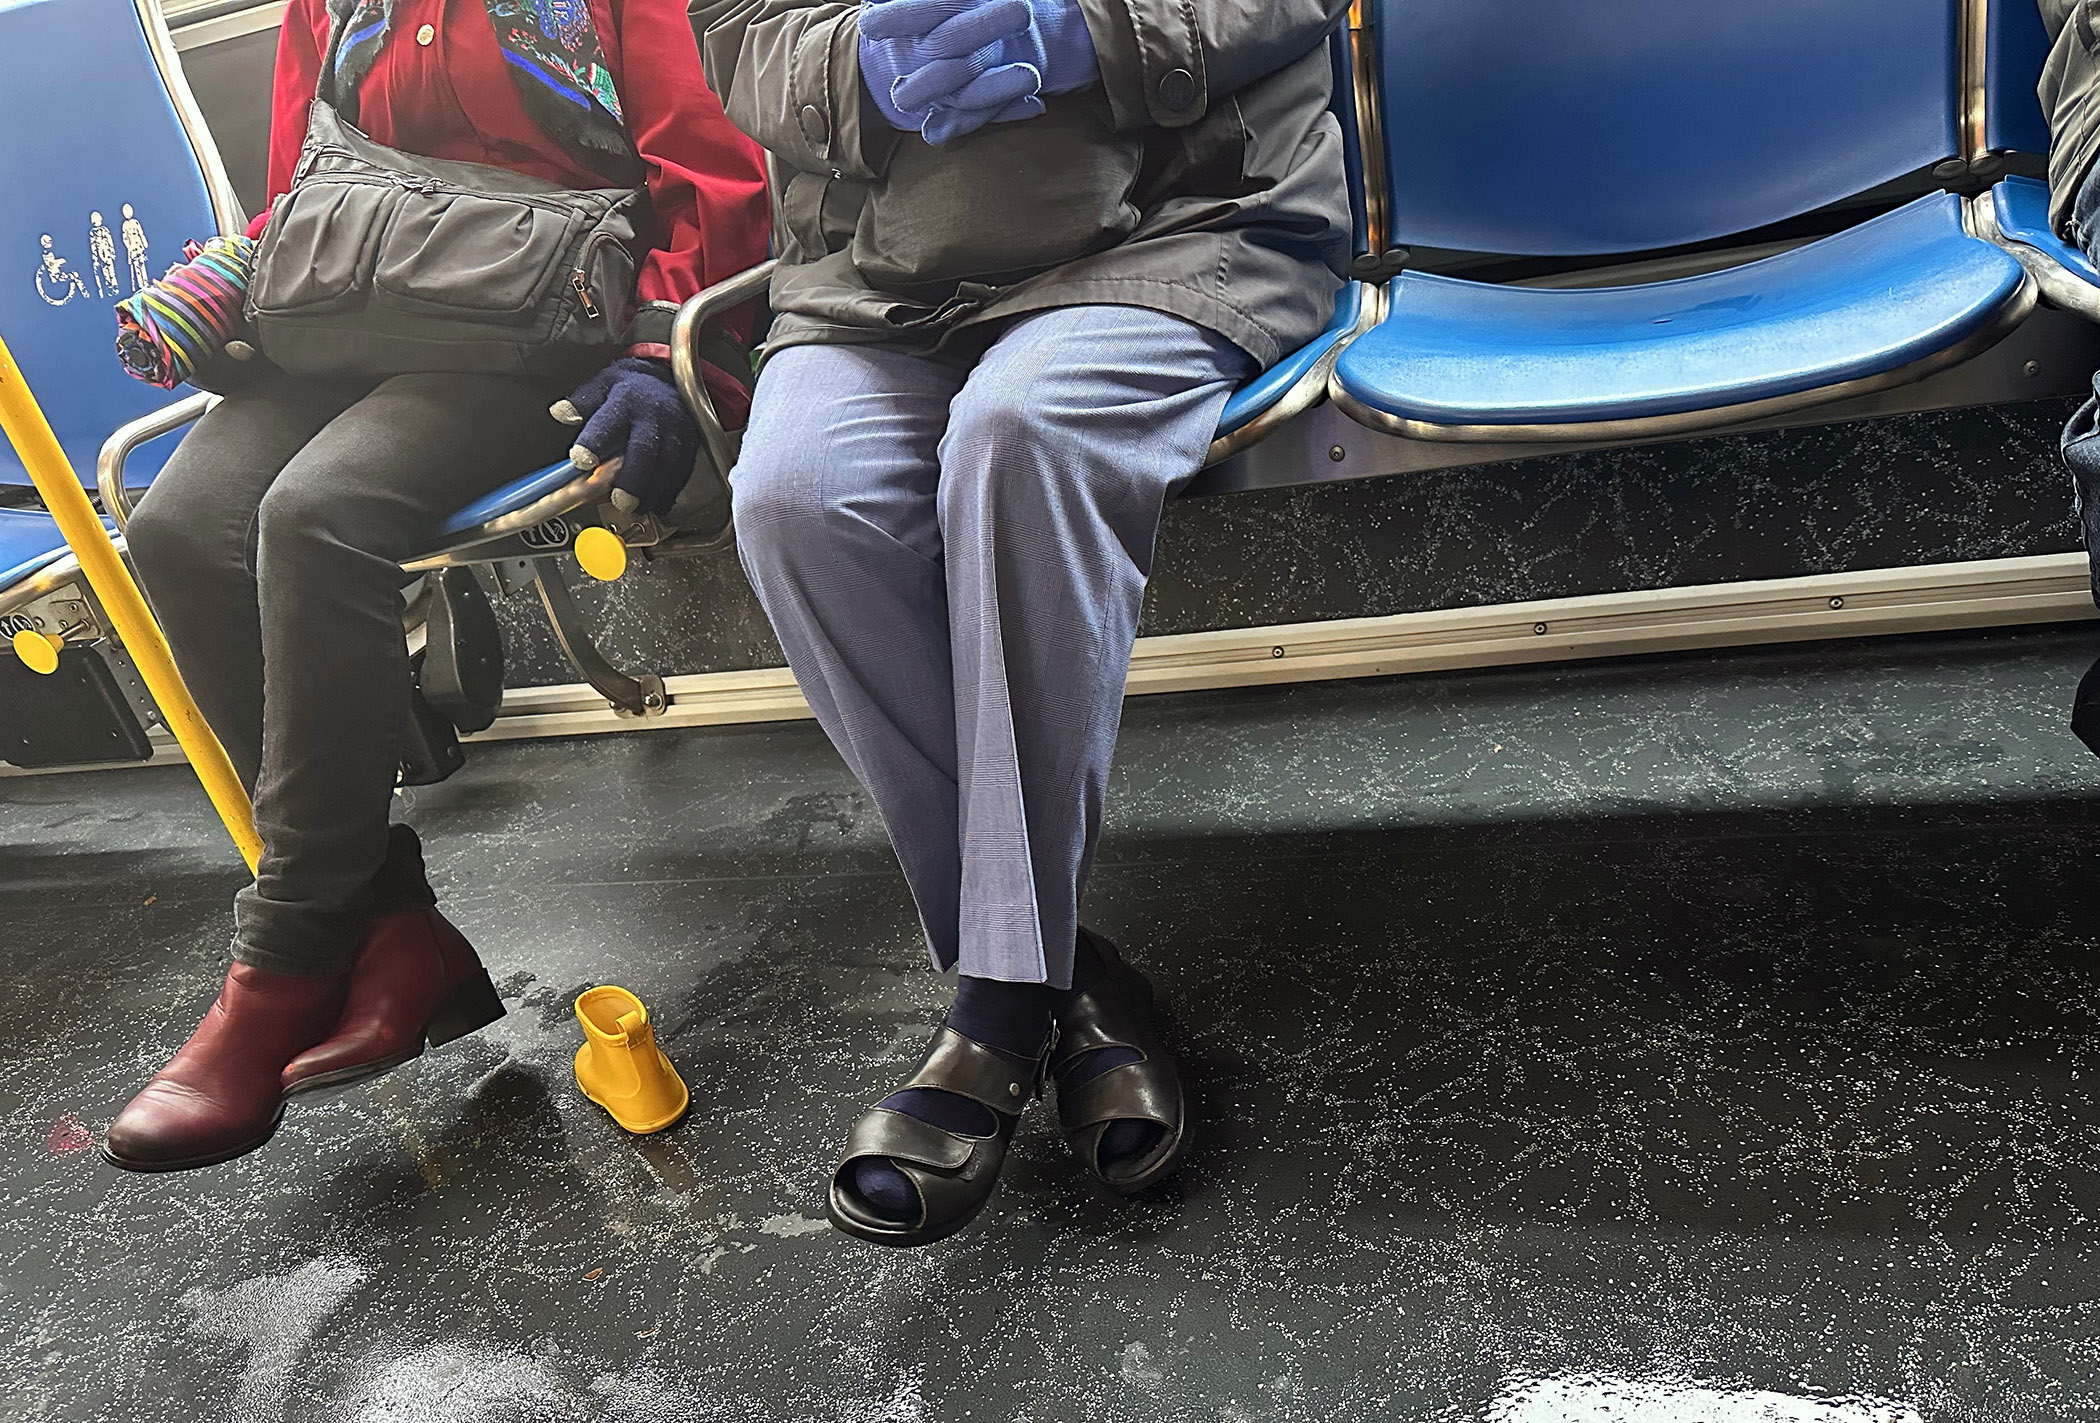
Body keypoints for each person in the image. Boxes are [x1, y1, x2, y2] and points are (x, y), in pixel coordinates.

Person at [695, 0, 1350, 1244]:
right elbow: (739, 31)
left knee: (1019, 437)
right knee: (791, 500)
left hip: (1179, 218)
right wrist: (859, 73)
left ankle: (1000, 1000)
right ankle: (1071, 974)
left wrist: (1084, 33)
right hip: (874, 271)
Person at [102, 0, 769, 1172]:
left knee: (320, 518)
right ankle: (395, 926)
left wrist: (668, 344)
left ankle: (284, 960)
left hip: (537, 311)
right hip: (362, 311)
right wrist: (235, 278)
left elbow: (707, 165)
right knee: (180, 529)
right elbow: (306, 181)